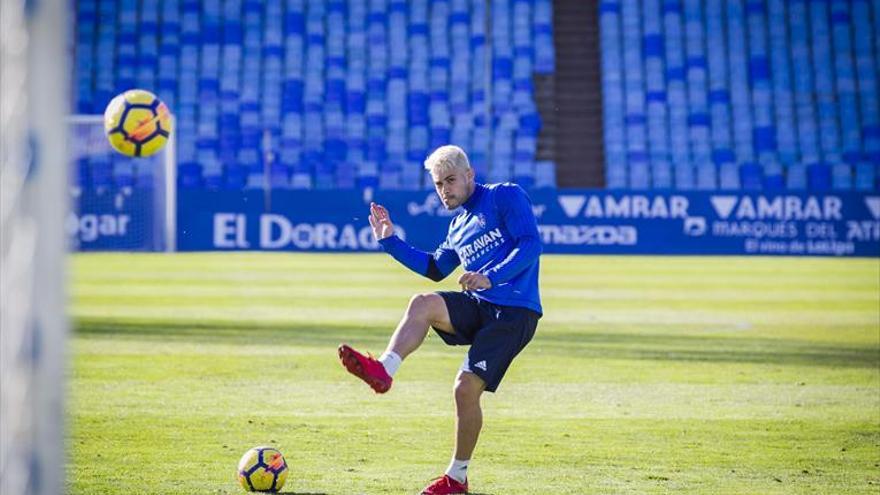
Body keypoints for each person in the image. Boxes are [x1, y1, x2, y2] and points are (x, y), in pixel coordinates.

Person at [337, 145, 543, 495]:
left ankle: (457, 478)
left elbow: (530, 244)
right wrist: (390, 242)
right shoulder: (458, 226)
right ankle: (384, 370)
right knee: (423, 304)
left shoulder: (504, 196)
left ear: (469, 176)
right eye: (438, 184)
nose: (444, 189)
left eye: (450, 180)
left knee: (464, 389)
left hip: (515, 311)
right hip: (480, 304)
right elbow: (435, 269)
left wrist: (490, 276)